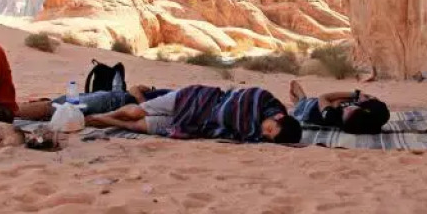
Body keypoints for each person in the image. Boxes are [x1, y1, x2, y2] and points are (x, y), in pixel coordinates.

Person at [85, 85, 302, 144]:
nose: (263, 132)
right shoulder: (263, 98)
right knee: (135, 112)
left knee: (140, 125)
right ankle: (109, 114)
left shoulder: (255, 134)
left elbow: (239, 133)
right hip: (194, 98)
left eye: (268, 136)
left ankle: (101, 120)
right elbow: (241, 99)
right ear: (279, 118)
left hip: (194, 125)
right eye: (270, 129)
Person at [16, 85, 173, 121]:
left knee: (57, 107)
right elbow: (134, 89)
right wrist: (144, 105)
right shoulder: (173, 95)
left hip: (112, 102)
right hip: (114, 99)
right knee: (58, 105)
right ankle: (6, 110)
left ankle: (5, 111)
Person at [289, 79, 389, 134]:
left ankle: (299, 101)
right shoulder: (364, 118)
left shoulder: (332, 116)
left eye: (348, 112)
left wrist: (354, 95)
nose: (349, 108)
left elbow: (323, 97)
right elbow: (375, 103)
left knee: (299, 98)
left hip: (308, 109)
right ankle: (298, 100)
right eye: (354, 108)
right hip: (324, 104)